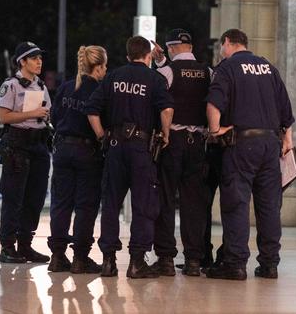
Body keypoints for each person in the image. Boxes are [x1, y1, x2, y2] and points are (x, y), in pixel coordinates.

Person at [205, 28, 294, 280]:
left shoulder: (228, 67)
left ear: (227, 43)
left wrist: (215, 130)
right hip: (270, 144)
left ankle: (234, 264)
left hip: (241, 144)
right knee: (269, 206)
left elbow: (213, 103)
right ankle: (269, 264)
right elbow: (286, 112)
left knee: (237, 202)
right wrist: (287, 141)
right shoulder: (268, 68)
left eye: (222, 46)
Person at [84, 36, 174, 279]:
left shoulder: (112, 77)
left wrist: (103, 135)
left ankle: (108, 262)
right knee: (143, 205)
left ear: (127, 56)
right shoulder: (154, 79)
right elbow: (166, 109)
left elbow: (92, 110)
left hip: (114, 147)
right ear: (147, 56)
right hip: (141, 149)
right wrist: (165, 134)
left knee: (111, 204)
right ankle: (136, 262)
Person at [149, 28, 211, 276]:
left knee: (164, 199)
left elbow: (159, 103)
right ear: (191, 46)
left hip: (171, 140)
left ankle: (165, 258)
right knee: (194, 203)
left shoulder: (166, 72)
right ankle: (194, 260)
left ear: (172, 48)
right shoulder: (209, 72)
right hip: (198, 142)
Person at [47, 45, 108, 273]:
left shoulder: (65, 87)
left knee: (61, 204)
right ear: (99, 67)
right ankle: (80, 258)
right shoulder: (99, 90)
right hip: (88, 152)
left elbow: (54, 116)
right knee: (85, 206)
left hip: (62, 149)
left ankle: (57, 256)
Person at [0, 41, 52, 264]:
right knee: (13, 197)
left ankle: (25, 245)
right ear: (22, 61)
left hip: (38, 144)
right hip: (17, 143)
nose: (39, 62)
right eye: (34, 58)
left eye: (40, 57)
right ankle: (7, 247)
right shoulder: (11, 85)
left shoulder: (40, 86)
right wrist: (32, 112)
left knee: (35, 198)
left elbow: (44, 111)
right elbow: (3, 117)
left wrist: (44, 115)